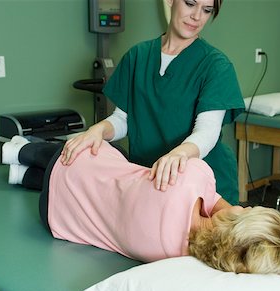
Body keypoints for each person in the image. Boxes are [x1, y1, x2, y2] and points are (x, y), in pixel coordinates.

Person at [2, 136, 280, 275]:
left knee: (100, 155)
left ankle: (19, 151)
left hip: (73, 163)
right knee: (64, 185)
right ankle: (23, 176)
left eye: (247, 210)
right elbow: (212, 216)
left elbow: (211, 199)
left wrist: (226, 210)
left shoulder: (193, 176)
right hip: (56, 216)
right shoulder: (173, 255)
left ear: (234, 225)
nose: (243, 206)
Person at [60, 0, 245, 204]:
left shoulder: (216, 66)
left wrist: (179, 154)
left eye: (207, 10)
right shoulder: (137, 56)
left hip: (206, 186)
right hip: (150, 179)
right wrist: (98, 131)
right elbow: (123, 119)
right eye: (190, 3)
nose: (197, 16)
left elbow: (207, 131)